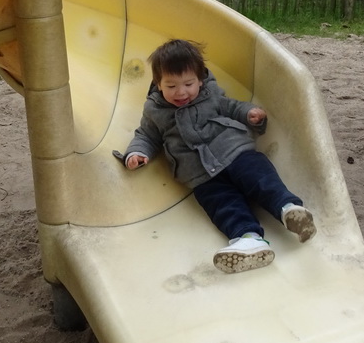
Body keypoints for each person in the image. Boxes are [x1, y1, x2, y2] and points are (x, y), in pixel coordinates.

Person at [120, 38, 316, 274]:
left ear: (200, 79)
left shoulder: (210, 94)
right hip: (199, 174)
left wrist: (249, 114)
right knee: (223, 206)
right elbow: (147, 136)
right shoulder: (155, 110)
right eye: (171, 86)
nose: (181, 92)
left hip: (234, 150)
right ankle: (248, 239)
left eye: (188, 84)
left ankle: (288, 209)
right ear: (158, 84)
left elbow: (230, 107)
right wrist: (137, 152)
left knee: (260, 178)